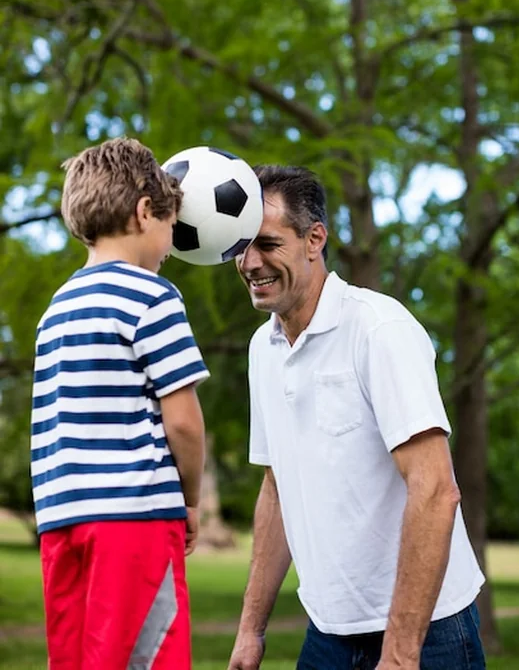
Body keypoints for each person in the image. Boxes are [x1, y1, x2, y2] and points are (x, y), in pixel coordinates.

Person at [228, 165, 486, 670]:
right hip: (327, 633)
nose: (250, 262)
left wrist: (399, 653)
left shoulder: (379, 329)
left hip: (427, 633)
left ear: (314, 239)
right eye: (241, 246)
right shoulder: (264, 348)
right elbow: (277, 488)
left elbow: (435, 490)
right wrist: (249, 630)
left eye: (267, 244)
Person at [31, 137, 208, 670]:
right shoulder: (153, 296)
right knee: (146, 658)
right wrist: (191, 498)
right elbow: (184, 422)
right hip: (133, 520)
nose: (170, 246)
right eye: (171, 229)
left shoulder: (56, 309)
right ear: (143, 212)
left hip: (62, 522)